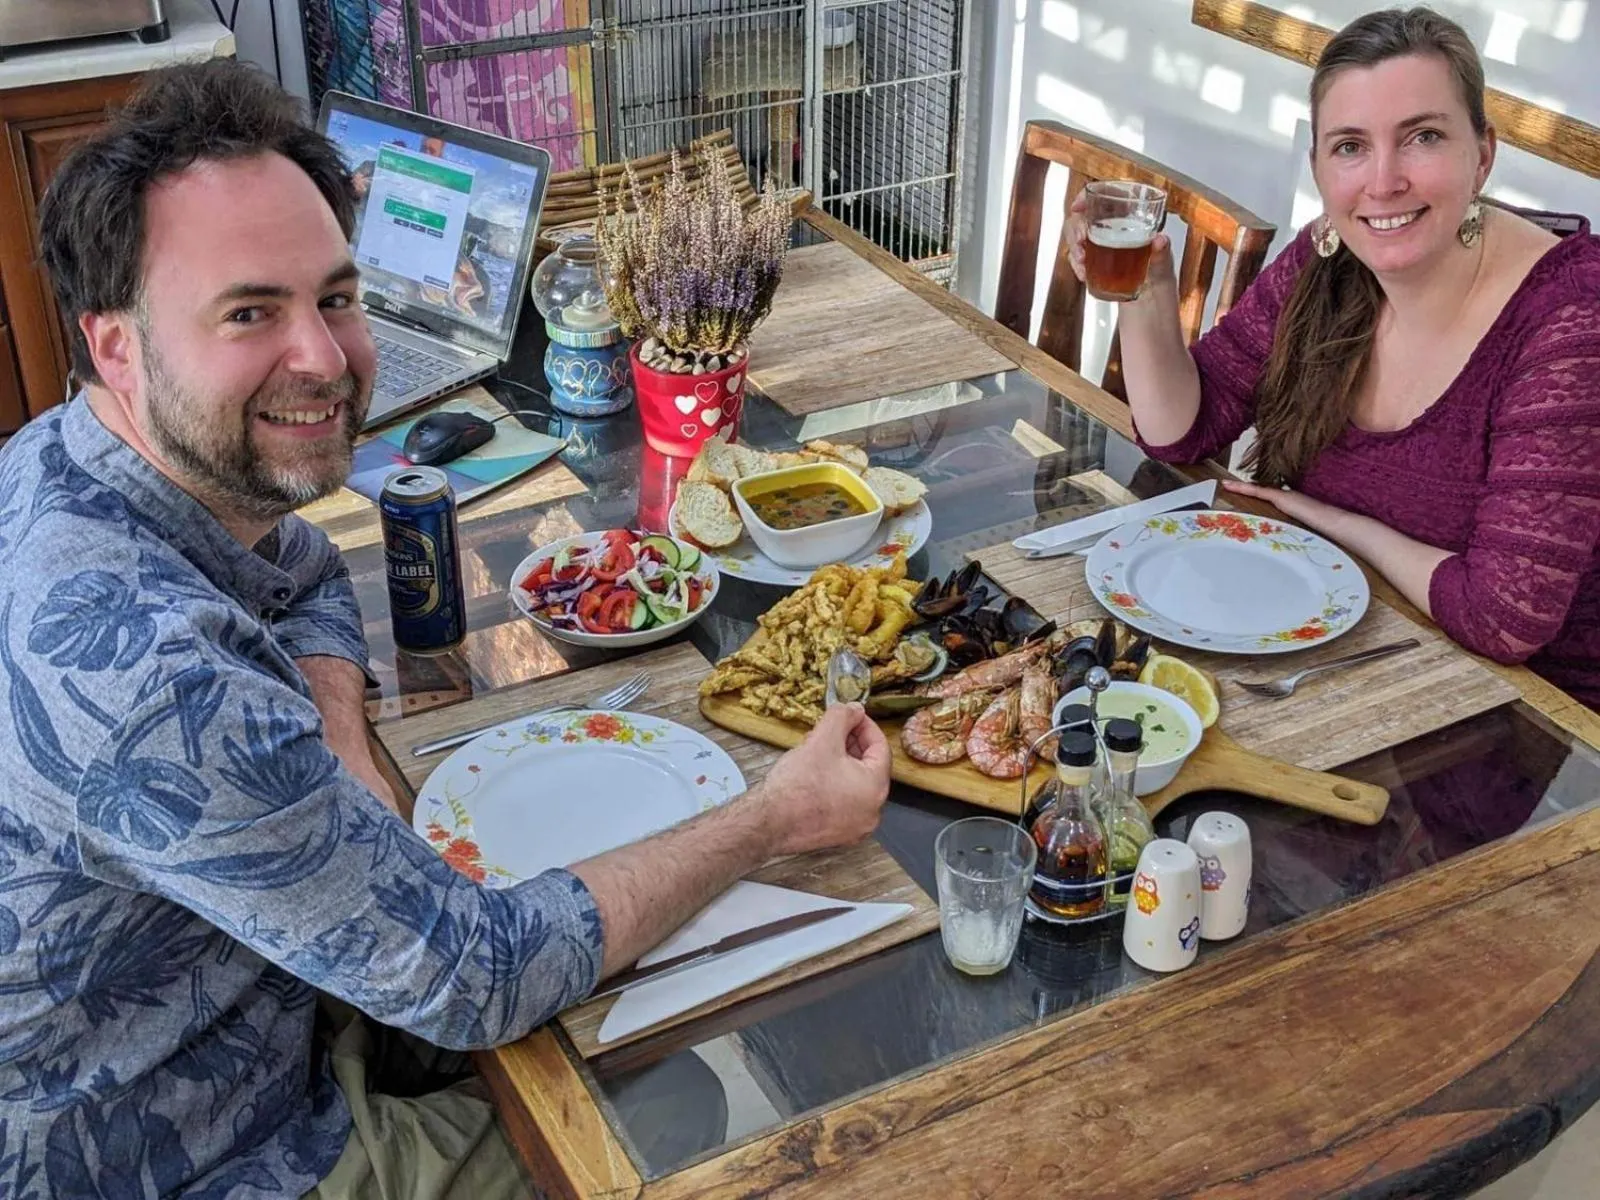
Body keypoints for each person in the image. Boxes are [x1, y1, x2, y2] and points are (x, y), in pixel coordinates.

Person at [0, 60, 893, 1198]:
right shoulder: (151, 677)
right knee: (672, 1104)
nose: (323, 359)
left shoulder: (68, 459)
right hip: (208, 1150)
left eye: (334, 296)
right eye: (248, 313)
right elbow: (480, 976)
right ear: (118, 345)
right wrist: (773, 815)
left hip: (248, 1006)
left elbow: (310, 563)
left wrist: (330, 731)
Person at [1067, 7, 1600, 709]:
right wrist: (1146, 290)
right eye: (1350, 147)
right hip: (1331, 662)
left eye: (1424, 137)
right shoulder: (1329, 256)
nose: (1383, 182)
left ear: (1484, 155)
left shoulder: (1571, 317)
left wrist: (1334, 520)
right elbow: (1180, 430)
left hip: (1524, 726)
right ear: (1319, 164)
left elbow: (1501, 618)